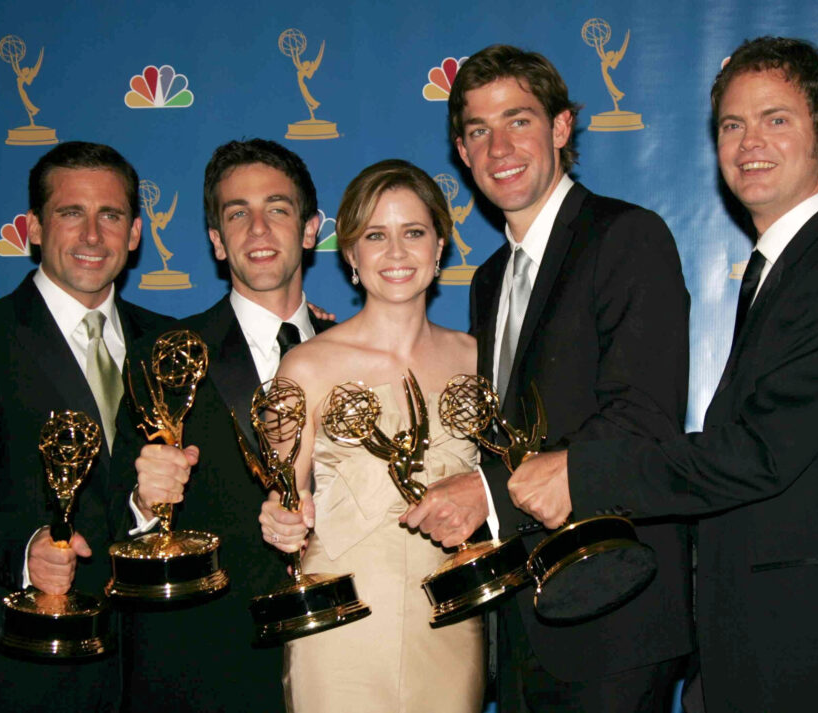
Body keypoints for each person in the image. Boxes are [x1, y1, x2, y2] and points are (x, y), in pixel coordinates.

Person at [512, 37, 818, 711]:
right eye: (731, 124)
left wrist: (582, 473)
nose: (751, 142)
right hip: (776, 648)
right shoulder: (789, 267)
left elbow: (758, 452)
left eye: (777, 119)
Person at [400, 44, 695, 712]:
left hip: (614, 609)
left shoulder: (627, 237)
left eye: (519, 120)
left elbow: (641, 419)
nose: (499, 145)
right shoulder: (489, 281)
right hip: (527, 617)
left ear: (561, 128)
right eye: (478, 130)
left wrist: (485, 492)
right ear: (462, 151)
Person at [0, 141, 170, 712]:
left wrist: (306, 331)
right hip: (22, 664)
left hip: (147, 670)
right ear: (33, 228)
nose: (91, 235)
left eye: (110, 215)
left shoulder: (168, 345)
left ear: (134, 235)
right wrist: (26, 550)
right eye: (70, 213)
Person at [113, 138, 334, 712]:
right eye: (238, 214)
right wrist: (143, 502)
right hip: (208, 665)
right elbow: (103, 514)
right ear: (217, 240)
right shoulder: (161, 356)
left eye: (278, 209)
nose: (258, 229)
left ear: (310, 229)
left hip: (342, 656)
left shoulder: (358, 353)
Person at [260, 159, 485, 713]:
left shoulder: (480, 360)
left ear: (439, 247)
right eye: (375, 236)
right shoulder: (303, 367)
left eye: (413, 233)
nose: (397, 253)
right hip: (343, 623)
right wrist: (281, 518)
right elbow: (282, 496)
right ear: (352, 256)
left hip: (451, 618)